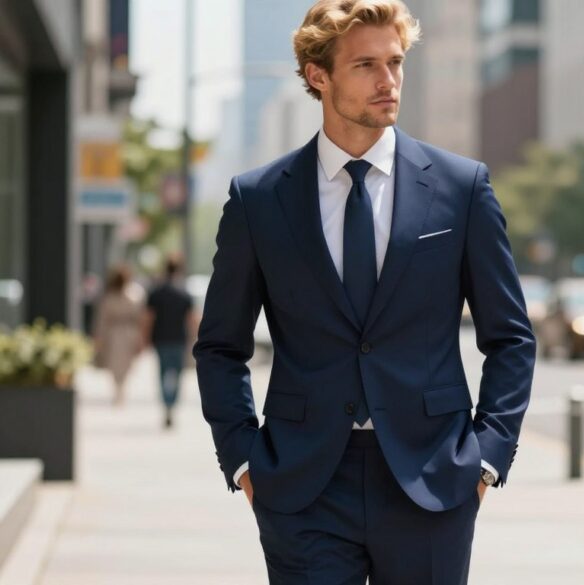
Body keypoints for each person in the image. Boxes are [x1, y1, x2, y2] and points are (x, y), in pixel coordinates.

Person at [192, 2, 535, 583]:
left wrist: (486, 460)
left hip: (432, 481)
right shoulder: (259, 200)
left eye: (396, 63)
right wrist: (247, 462)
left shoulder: (461, 187)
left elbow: (511, 339)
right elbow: (220, 347)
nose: (389, 82)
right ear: (317, 74)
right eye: (367, 65)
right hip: (303, 486)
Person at [142, 255, 198, 429]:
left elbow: (148, 318)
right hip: (179, 339)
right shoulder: (185, 293)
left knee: (162, 372)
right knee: (177, 373)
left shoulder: (156, 293)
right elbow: (192, 320)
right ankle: (172, 403)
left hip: (161, 339)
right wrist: (196, 339)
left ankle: (166, 405)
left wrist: (145, 338)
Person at [92, 264, 143, 406]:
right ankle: (119, 389)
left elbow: (102, 319)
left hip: (116, 333)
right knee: (122, 363)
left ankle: (119, 388)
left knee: (117, 363)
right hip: (127, 332)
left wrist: (98, 337)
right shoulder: (134, 294)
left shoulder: (115, 295)